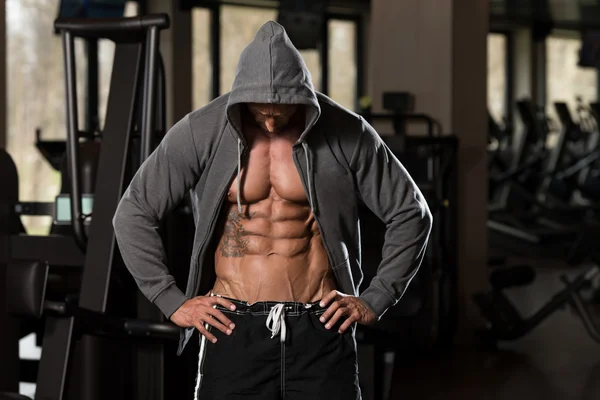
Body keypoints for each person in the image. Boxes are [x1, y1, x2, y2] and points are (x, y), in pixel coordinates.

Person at [113, 21, 432, 400]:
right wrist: (170, 299)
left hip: (320, 325)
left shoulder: (349, 132)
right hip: (231, 326)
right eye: (259, 111)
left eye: (281, 113)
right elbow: (133, 211)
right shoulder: (202, 130)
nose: (269, 121)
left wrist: (376, 297)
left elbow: (411, 213)